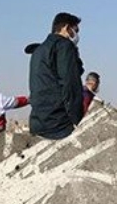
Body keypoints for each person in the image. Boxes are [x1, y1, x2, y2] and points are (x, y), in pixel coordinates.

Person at [29, 12, 84, 140]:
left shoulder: (38, 50)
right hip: (59, 122)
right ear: (65, 27)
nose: (76, 35)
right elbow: (70, 84)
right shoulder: (64, 46)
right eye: (75, 30)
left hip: (38, 120)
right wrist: (78, 120)